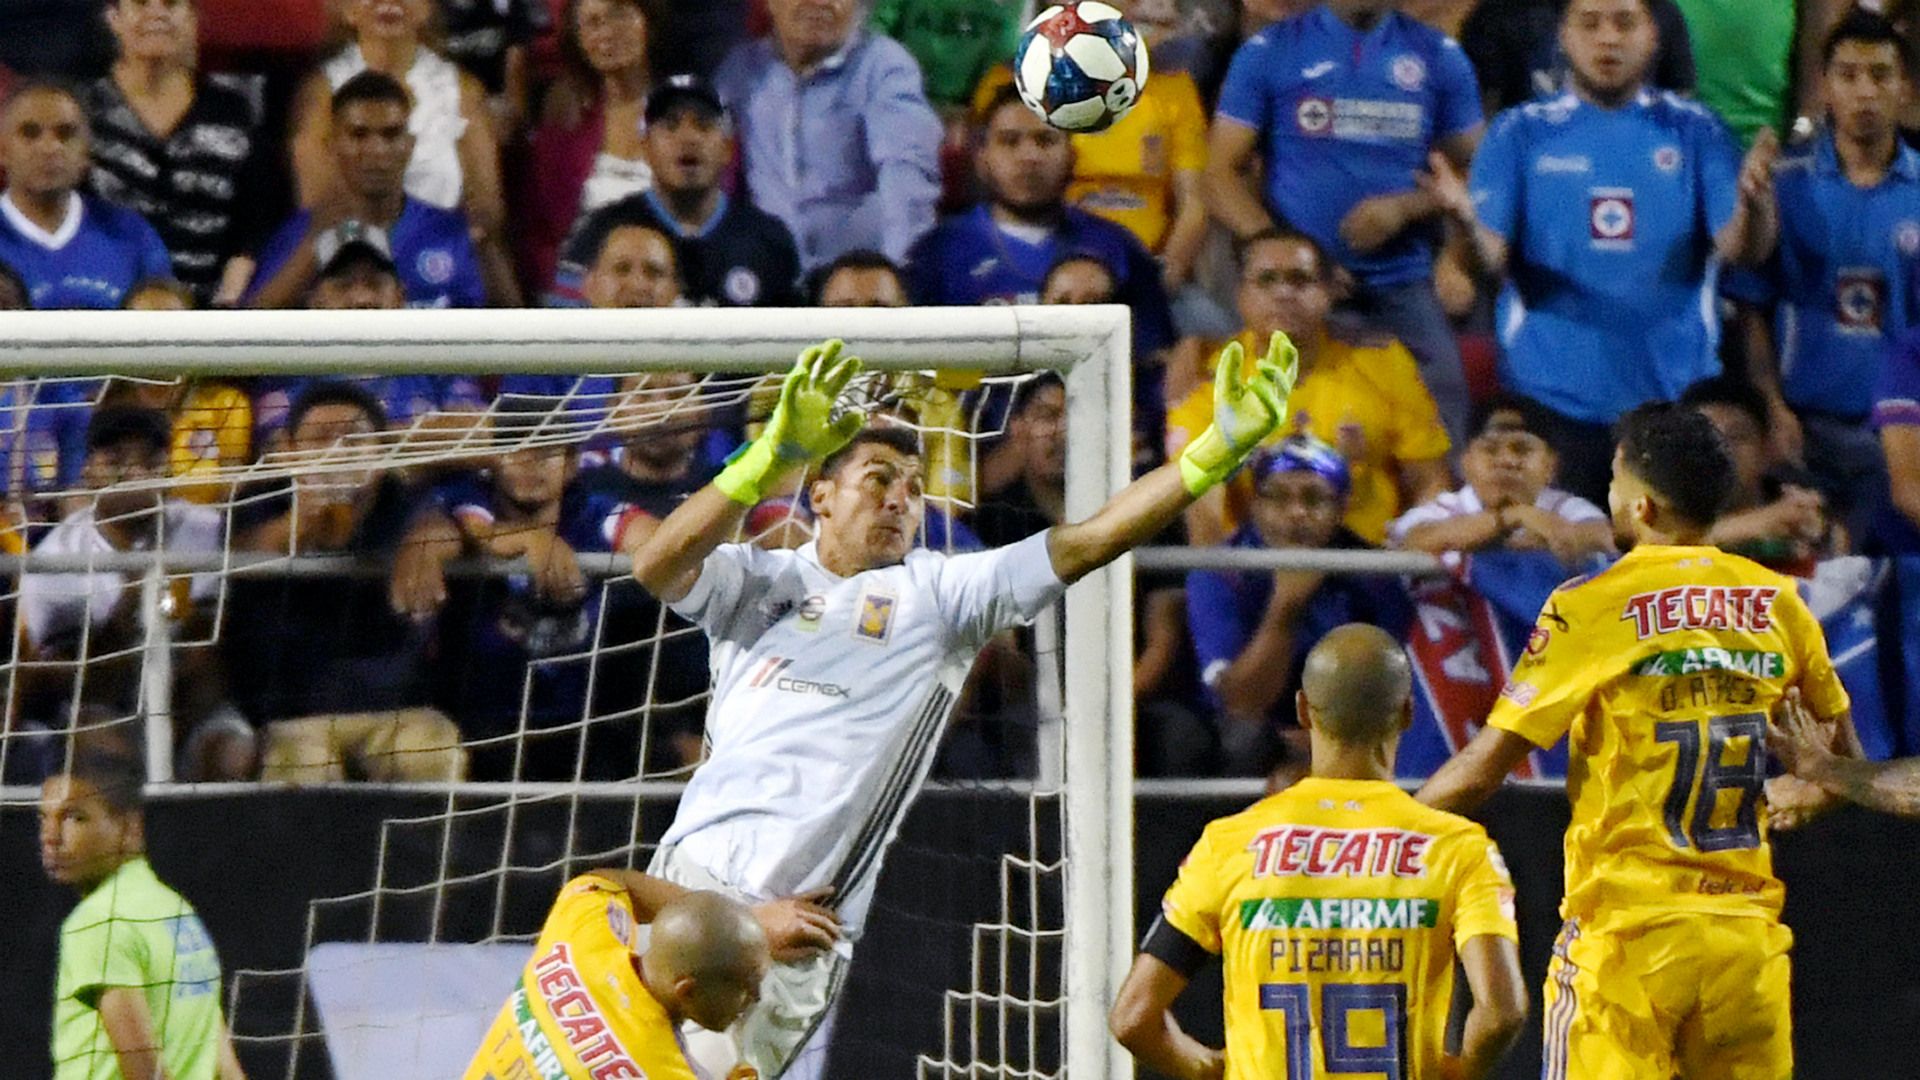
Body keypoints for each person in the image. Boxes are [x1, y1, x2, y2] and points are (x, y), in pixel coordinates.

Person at [626, 332, 1298, 1079]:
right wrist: (766, 457)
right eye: (878, 477)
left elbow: (1086, 543)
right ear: (819, 494)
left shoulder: (938, 596)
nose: (899, 499)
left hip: (789, 921)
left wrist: (1204, 460)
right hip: (679, 884)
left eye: (914, 488)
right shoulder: (759, 581)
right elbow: (656, 563)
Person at [1417, 402, 1863, 1079]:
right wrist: (1796, 790)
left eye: (1617, 481)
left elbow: (1483, 770)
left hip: (1627, 943)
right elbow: (1843, 769)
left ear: (1643, 508)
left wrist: (1395, 828)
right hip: (1743, 946)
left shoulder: (1593, 604)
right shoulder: (1780, 604)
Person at [1110, 623, 1527, 1080]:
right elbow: (1501, 1012)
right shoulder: (1458, 848)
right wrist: (1462, 1072)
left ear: (1304, 710)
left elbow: (1134, 1018)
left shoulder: (1228, 844)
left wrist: (1207, 1067)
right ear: (1408, 711)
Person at [1434, 0, 1780, 506]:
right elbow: (1491, 257)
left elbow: (1740, 249)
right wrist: (1465, 222)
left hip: (1672, 402)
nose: (1608, 39)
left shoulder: (1698, 131)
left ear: (1654, 37)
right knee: (1562, 572)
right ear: (1564, 36)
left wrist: (1757, 202)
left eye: (1625, 22)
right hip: (1551, 401)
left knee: (1662, 576)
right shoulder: (1518, 132)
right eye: (1590, 23)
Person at [1204, 0, 1483, 443]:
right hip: (1298, 289)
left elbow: (1479, 174)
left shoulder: (1439, 56)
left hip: (1404, 283)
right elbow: (1219, 175)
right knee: (1267, 427)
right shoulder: (1270, 51)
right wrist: (1291, 254)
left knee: (1444, 426)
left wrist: (1405, 208)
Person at [1724, 9, 1920, 533]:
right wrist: (1771, 406)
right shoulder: (1784, 184)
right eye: (1848, 75)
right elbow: (1752, 306)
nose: (1864, 92)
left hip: (1902, 440)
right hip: (1804, 433)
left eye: (1880, 75)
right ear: (1825, 87)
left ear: (1904, 89)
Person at [225, 381, 467, 783]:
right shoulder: (258, 501)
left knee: (432, 750)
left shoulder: (406, 503)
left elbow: (446, 527)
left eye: (353, 439)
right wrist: (305, 516)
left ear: (382, 452)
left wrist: (428, 541)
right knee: (303, 766)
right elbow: (243, 556)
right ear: (287, 450)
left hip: (395, 714)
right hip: (293, 717)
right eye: (321, 439)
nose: (338, 452)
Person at [1165, 228, 1451, 547]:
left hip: (1367, 569)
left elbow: (1430, 479)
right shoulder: (1209, 374)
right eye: (1267, 280)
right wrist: (1221, 584)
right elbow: (1200, 506)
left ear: (1329, 292)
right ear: (1241, 294)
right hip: (1255, 572)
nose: (1284, 292)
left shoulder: (1383, 361)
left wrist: (1411, 564)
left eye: (1300, 279)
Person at [464, 871, 836, 1080]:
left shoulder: (577, 938)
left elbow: (601, 880)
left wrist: (745, 923)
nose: (754, 998)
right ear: (687, 989)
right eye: (744, 986)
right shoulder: (661, 1070)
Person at [1184, 435, 1413, 775]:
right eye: (1277, 498)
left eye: (1314, 499)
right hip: (1250, 732)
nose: (1296, 513)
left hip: (1348, 734)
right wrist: (1285, 607)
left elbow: (1390, 690)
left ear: (1342, 507)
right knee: (1243, 740)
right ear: (1255, 503)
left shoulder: (1374, 574)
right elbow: (1241, 704)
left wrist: (1327, 741)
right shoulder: (1220, 573)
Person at [43, 750, 248, 1080]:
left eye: (74, 818)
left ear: (129, 828)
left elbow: (145, 1073)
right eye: (44, 818)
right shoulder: (177, 911)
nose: (51, 836)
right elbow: (226, 1067)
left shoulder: (98, 921)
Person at [714, 0, 941, 270]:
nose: (819, 3)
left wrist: (895, 273)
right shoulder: (741, 71)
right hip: (767, 276)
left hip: (854, 279)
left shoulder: (885, 67)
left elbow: (907, 180)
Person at [249, 73, 500, 309]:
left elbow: (506, 328)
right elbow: (247, 333)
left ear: (409, 146)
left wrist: (489, 249)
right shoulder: (299, 235)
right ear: (333, 145)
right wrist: (311, 249)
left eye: (391, 135)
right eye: (359, 135)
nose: (377, 150)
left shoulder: (451, 232)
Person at [550, 75, 802, 308]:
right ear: (646, 148)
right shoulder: (600, 231)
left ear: (728, 148)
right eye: (670, 125)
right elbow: (560, 337)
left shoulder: (769, 241)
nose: (688, 137)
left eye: (703, 125)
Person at [85, 0, 271, 307]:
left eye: (171, 3)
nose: (157, 12)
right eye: (141, 3)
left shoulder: (231, 111)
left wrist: (227, 304)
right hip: (105, 307)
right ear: (114, 18)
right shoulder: (83, 112)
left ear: (193, 19)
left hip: (208, 314)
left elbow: (253, 225)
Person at [291, 0, 507, 238]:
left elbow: (488, 206)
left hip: (440, 256)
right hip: (351, 257)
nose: (389, 2)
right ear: (347, 9)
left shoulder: (464, 91)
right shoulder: (320, 94)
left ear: (428, 8)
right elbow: (315, 205)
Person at [516, 0, 655, 293]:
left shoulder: (688, 110)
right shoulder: (565, 126)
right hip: (580, 293)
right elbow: (540, 234)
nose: (607, 32)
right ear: (578, 42)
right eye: (593, 23)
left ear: (648, 20)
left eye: (619, 14)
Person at [0, 81, 171, 309]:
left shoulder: (131, 234)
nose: (50, 147)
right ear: (3, 150)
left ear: (86, 153)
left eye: (66, 134)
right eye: (30, 133)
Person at [1391, 393, 1614, 565]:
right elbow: (1413, 541)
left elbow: (1605, 536)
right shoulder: (1443, 508)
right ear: (1465, 463)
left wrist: (1563, 536)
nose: (1507, 460)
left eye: (1522, 450)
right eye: (1490, 449)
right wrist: (1510, 517)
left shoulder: (1564, 506)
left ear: (1551, 466)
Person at [1681, 375, 1832, 568]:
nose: (1720, 450)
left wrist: (1820, 531)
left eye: (1736, 436)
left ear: (1766, 448)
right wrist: (1749, 526)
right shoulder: (1659, 508)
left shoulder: (1792, 504)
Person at [1460, 0, 1694, 115]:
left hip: (1642, 166)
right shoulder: (1499, 15)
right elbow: (1482, 119)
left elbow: (1679, 105)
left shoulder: (1658, 11)